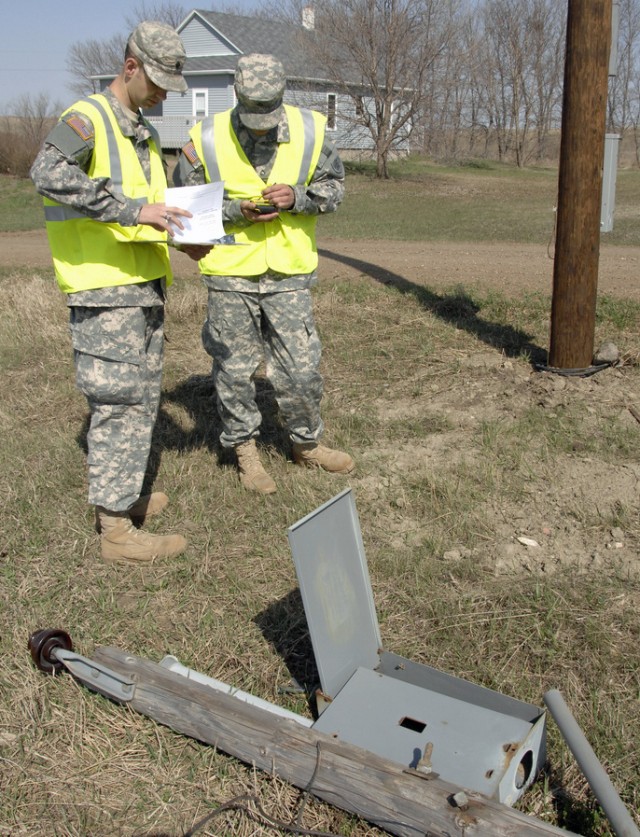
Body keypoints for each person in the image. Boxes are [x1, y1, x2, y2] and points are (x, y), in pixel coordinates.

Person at [31, 21, 211, 565]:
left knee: (139, 402)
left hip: (141, 288)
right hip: (104, 291)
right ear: (129, 66)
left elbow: (150, 208)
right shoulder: (87, 118)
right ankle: (115, 533)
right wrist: (136, 212)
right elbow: (47, 172)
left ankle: (124, 497)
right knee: (117, 405)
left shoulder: (140, 130)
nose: (160, 94)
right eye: (155, 81)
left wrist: (181, 237)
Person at [173, 53, 355, 495]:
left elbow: (335, 189)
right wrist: (236, 211)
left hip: (289, 271)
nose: (261, 123)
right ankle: (245, 452)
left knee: (301, 368)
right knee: (234, 369)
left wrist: (298, 196)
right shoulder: (204, 137)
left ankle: (306, 444)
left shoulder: (312, 130)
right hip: (229, 272)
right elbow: (182, 209)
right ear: (235, 94)